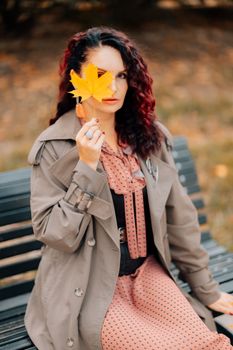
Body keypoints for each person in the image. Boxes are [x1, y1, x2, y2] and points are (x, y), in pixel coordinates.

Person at [24, 26, 233, 350]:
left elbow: (180, 219)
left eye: (121, 76)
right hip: (91, 290)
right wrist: (86, 167)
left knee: (207, 343)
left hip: (148, 276)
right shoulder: (53, 147)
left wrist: (207, 290)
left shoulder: (147, 137)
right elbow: (55, 234)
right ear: (76, 78)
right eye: (100, 74)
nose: (112, 86)